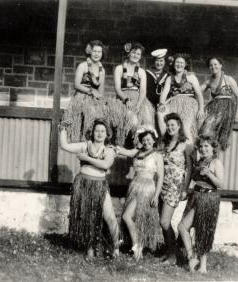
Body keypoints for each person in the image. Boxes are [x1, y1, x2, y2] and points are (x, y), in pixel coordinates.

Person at [59, 119, 120, 260]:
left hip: (99, 185)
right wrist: (63, 128)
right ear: (92, 132)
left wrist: (87, 158)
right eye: (97, 130)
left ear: (107, 134)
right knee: (88, 218)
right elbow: (64, 146)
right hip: (83, 184)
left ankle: (116, 248)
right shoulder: (85, 145)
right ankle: (90, 250)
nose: (99, 133)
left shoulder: (109, 150)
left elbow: (105, 165)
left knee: (110, 217)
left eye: (102, 131)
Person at [62, 40, 130, 145]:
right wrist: (91, 91)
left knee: (106, 113)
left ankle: (105, 141)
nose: (96, 54)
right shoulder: (83, 66)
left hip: (94, 99)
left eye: (99, 52)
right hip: (81, 96)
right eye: (94, 51)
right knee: (91, 113)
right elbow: (76, 85)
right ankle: (86, 139)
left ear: (102, 54)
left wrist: (102, 102)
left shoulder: (101, 70)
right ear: (90, 52)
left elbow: (100, 91)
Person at [115, 126, 164, 261]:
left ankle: (138, 248)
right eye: (144, 140)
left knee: (137, 218)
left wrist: (156, 196)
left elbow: (160, 177)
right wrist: (116, 149)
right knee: (128, 217)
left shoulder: (157, 156)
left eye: (149, 140)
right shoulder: (137, 151)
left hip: (148, 188)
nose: (146, 142)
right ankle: (137, 246)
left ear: (154, 140)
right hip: (135, 186)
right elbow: (126, 152)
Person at [177, 135, 224, 273]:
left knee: (203, 231)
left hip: (209, 199)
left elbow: (221, 184)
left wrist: (209, 174)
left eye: (206, 146)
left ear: (213, 148)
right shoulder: (200, 161)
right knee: (182, 227)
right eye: (201, 146)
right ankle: (192, 257)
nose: (203, 149)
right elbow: (192, 176)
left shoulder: (216, 162)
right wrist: (186, 191)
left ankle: (203, 267)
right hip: (196, 196)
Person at [158, 113, 193, 264]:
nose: (170, 127)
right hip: (163, 185)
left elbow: (190, 169)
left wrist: (185, 188)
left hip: (175, 186)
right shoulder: (166, 143)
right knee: (163, 222)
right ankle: (171, 253)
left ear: (179, 126)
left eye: (173, 124)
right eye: (168, 125)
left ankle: (174, 255)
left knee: (165, 222)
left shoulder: (186, 143)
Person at [158, 53, 204, 144]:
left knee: (184, 125)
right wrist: (162, 104)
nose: (179, 64)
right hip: (174, 103)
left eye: (181, 63)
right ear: (174, 64)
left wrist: (201, 109)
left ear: (185, 64)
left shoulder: (191, 77)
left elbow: (199, 94)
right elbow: (164, 94)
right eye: (177, 62)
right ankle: (166, 140)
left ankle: (189, 147)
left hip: (189, 103)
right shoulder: (170, 78)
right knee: (160, 113)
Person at [199, 57, 238, 151]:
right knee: (201, 121)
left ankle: (212, 149)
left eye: (215, 64)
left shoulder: (229, 79)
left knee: (211, 126)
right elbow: (197, 91)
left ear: (220, 65)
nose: (213, 67)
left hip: (226, 107)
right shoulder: (209, 81)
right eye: (211, 65)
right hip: (214, 107)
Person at [114, 42, 155, 131]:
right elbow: (117, 89)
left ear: (140, 57)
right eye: (133, 52)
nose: (135, 55)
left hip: (139, 99)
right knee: (133, 121)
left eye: (138, 54)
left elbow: (143, 91)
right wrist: (126, 100)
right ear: (129, 53)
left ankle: (147, 142)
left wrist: (139, 105)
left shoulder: (141, 71)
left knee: (147, 118)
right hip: (123, 98)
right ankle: (135, 141)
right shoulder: (119, 68)